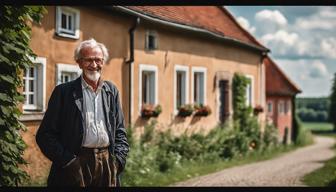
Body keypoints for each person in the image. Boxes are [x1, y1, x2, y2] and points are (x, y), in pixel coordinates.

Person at [36, 38, 129, 187]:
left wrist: (117, 161)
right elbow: (45, 135)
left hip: (107, 163)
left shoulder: (111, 91)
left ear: (103, 62)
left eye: (98, 60)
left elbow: (120, 132)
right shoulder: (63, 92)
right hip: (76, 163)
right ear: (79, 62)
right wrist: (68, 161)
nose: (94, 65)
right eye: (88, 60)